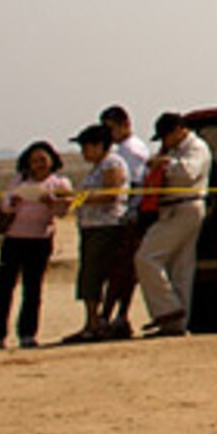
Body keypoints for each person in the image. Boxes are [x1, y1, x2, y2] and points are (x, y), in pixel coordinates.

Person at [132, 111, 212, 339]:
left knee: (147, 257)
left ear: (178, 131)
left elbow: (187, 173)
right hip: (171, 207)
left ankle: (167, 309)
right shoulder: (173, 150)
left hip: (185, 206)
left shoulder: (197, 147)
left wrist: (163, 164)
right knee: (180, 268)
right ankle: (176, 323)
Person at [0, 141, 73, 350]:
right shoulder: (18, 181)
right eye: (35, 160)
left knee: (32, 289)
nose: (39, 164)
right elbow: (5, 207)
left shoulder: (60, 183)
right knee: (4, 288)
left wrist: (51, 202)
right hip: (14, 238)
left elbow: (63, 211)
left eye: (43, 159)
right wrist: (14, 201)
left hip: (40, 239)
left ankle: (27, 333)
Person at [61, 124, 132, 343]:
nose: (83, 152)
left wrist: (78, 199)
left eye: (86, 147)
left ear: (99, 146)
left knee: (95, 273)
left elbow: (111, 194)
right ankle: (93, 321)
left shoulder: (112, 163)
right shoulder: (97, 167)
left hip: (107, 226)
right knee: (89, 274)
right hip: (92, 226)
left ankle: (97, 322)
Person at [96, 105, 155, 340]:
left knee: (122, 271)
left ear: (124, 125)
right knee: (122, 271)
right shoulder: (125, 149)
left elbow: (132, 184)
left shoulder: (129, 152)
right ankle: (115, 316)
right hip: (129, 214)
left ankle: (112, 316)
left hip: (131, 215)